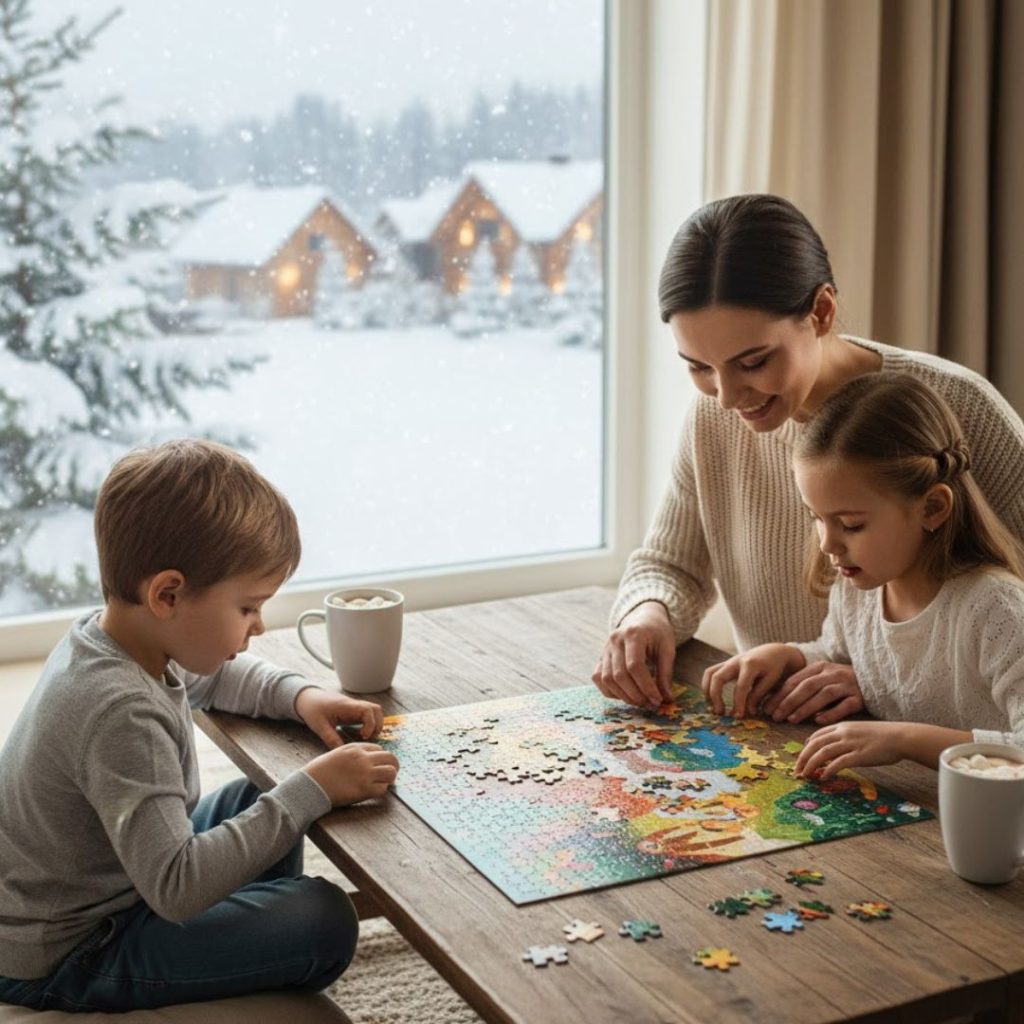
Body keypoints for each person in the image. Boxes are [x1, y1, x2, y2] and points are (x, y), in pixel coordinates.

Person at [0, 439, 400, 1012]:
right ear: (168, 594)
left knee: (263, 791)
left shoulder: (115, 638)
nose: (259, 626)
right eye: (247, 608)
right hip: (71, 950)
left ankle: (241, 942)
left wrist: (302, 697)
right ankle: (249, 947)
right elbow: (176, 886)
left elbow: (209, 679)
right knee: (323, 918)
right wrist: (311, 792)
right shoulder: (119, 711)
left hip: (123, 881)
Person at [593, 193, 1024, 711]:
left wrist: (877, 686)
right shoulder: (713, 417)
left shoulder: (962, 408)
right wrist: (646, 614)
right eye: (699, 367)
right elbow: (671, 565)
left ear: (821, 311)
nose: (727, 396)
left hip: (947, 761)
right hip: (778, 730)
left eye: (752, 362)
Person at [701, 373, 1024, 778]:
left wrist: (901, 739)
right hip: (904, 808)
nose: (827, 545)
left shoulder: (998, 609)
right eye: (817, 519)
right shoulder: (859, 588)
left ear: (932, 509)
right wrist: (791, 656)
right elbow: (840, 654)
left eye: (851, 525)